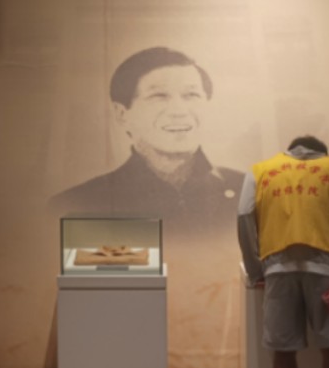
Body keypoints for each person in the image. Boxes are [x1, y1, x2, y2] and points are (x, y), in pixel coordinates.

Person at [49, 46, 243, 237]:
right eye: (158, 96)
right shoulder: (79, 205)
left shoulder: (249, 192)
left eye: (191, 95)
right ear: (122, 114)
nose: (179, 111)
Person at [237, 135, 329, 368]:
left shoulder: (260, 170)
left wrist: (256, 271)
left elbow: (244, 215)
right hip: (325, 268)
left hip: (276, 268)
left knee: (283, 351)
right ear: (323, 154)